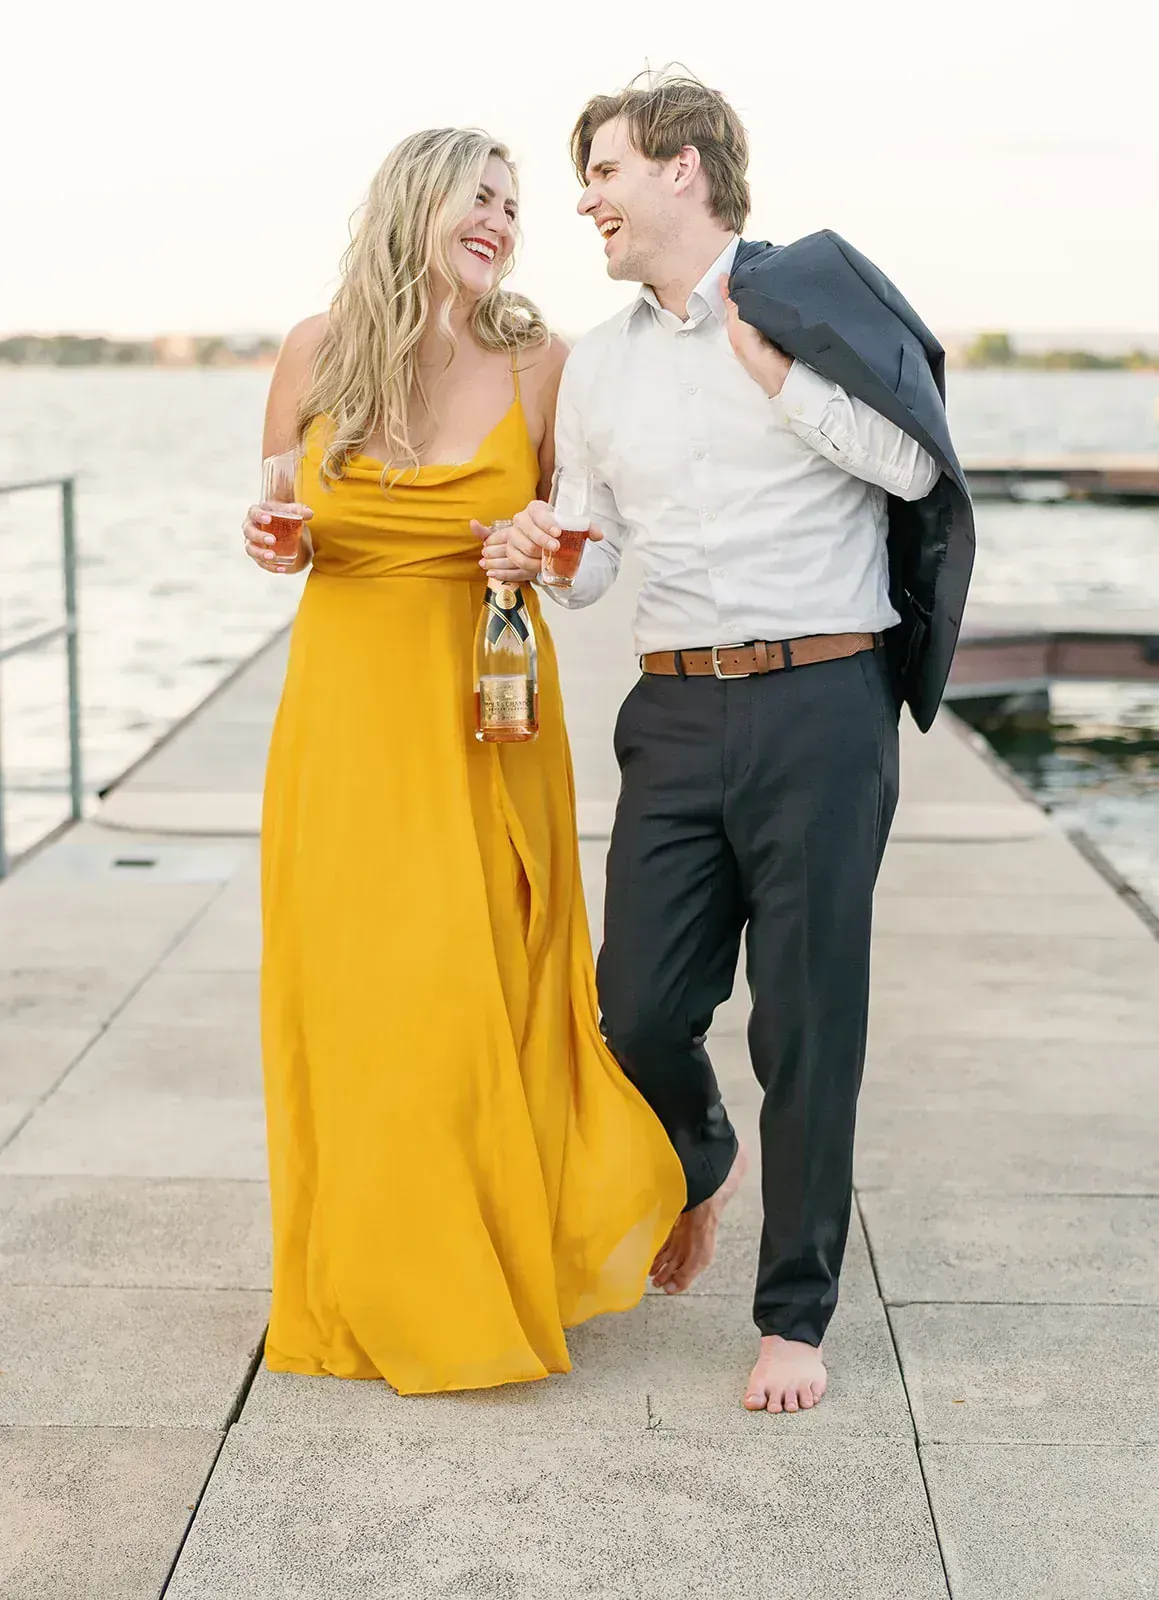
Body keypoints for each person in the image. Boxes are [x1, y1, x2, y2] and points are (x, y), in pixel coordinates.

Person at [484, 76, 964, 1415]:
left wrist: (778, 375)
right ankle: (700, 1157)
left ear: (682, 170)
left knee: (806, 1024)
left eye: (600, 171)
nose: (581, 199)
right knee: (632, 1005)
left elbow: (915, 467)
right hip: (674, 710)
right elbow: (590, 559)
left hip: (821, 704)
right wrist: (542, 553)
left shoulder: (808, 303)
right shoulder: (599, 362)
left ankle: (792, 1315)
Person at [241, 128, 685, 1396]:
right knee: (357, 997)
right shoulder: (314, 350)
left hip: (484, 711)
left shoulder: (544, 364)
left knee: (474, 985)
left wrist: (535, 542)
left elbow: (579, 541)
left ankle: (484, 1261)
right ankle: (369, 1274)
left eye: (511, 204)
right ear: (412, 204)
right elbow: (278, 521)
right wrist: (272, 541)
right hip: (344, 713)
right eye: (475, 198)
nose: (498, 219)